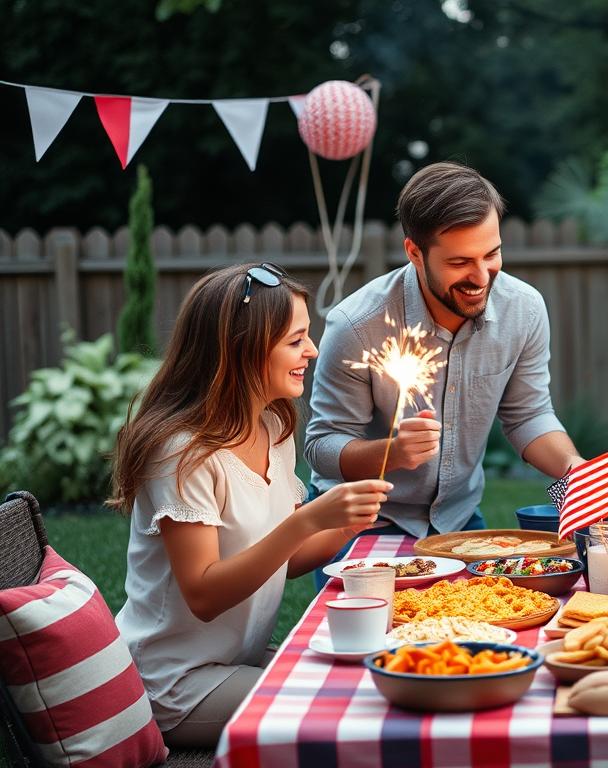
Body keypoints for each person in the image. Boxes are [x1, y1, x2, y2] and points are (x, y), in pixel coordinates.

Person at [109, 264, 391, 747]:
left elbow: (282, 559)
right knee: (346, 710)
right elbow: (204, 595)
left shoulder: (272, 427)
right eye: (295, 340)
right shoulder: (181, 453)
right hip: (173, 682)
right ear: (243, 347)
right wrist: (307, 519)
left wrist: (343, 526)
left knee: (366, 673)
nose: (313, 350)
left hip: (236, 661)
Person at [305, 162, 582, 547]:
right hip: (362, 521)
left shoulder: (524, 309)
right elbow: (322, 447)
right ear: (415, 253)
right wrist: (395, 452)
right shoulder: (356, 324)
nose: (482, 277)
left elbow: (529, 415)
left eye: (492, 254)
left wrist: (574, 469)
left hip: (458, 517)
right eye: (459, 262)